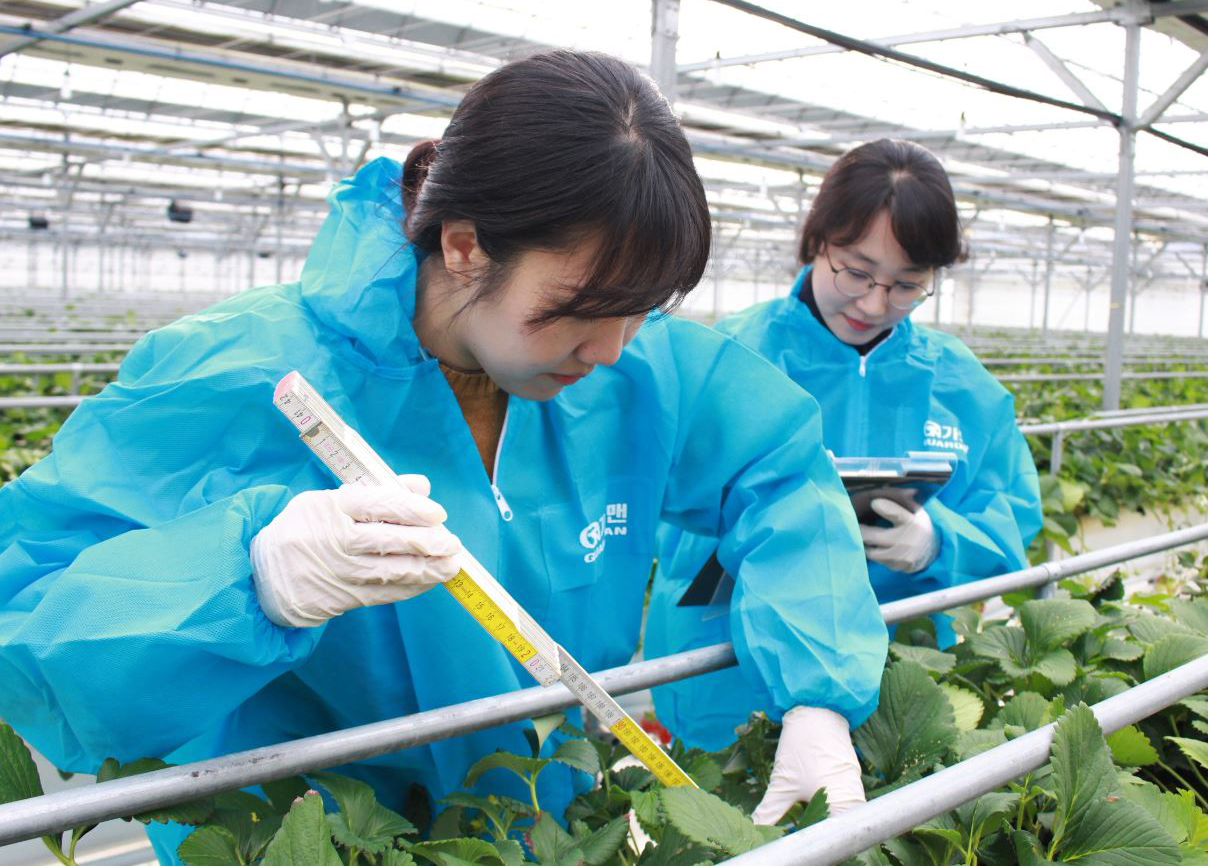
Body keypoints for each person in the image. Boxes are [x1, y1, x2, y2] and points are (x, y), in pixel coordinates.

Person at [0, 51, 886, 860]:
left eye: (642, 307)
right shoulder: (239, 375)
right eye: (584, 304)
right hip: (313, 839)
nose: (614, 346)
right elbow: (29, 624)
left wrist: (817, 688)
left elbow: (777, 478)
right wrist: (247, 577)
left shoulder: (640, 374)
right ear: (464, 246)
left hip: (543, 825)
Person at [647, 139, 1042, 819]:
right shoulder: (734, 355)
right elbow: (664, 510)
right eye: (855, 271)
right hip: (727, 658)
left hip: (898, 666)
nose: (874, 300)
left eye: (906, 283)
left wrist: (939, 540)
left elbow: (1015, 515)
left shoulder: (960, 386)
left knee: (874, 825)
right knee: (720, 821)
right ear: (816, 241)